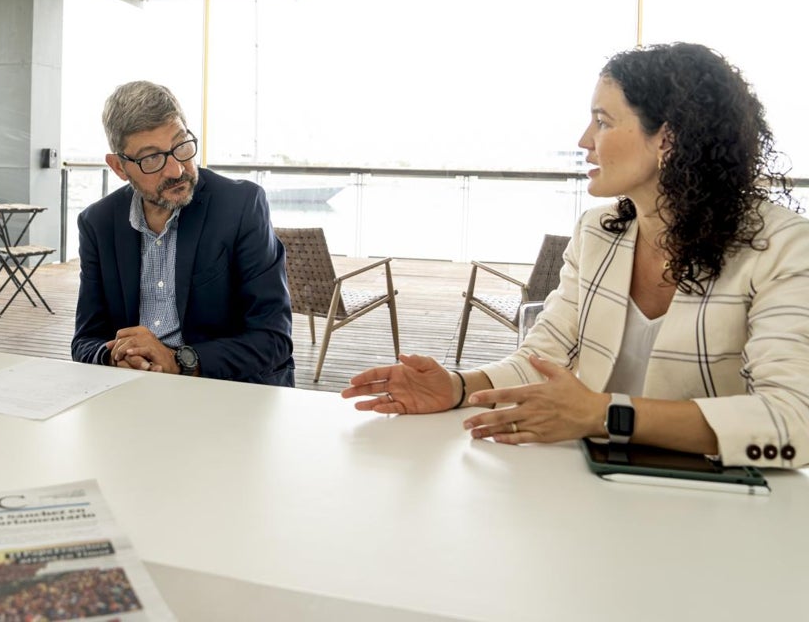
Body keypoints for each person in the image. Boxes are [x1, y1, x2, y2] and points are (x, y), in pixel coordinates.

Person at [343, 42, 809, 468]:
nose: (585, 140)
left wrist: (606, 415)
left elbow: (794, 429)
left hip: (731, 509)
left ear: (668, 139)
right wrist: (461, 387)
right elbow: (544, 357)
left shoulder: (784, 247)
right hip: (599, 488)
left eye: (603, 121)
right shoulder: (597, 234)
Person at [72, 81, 295, 386]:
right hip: (136, 392)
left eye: (181, 146)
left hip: (226, 391)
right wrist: (114, 356)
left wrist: (179, 362)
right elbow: (86, 341)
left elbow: (273, 339)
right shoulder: (98, 223)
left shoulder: (241, 206)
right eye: (152, 158)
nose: (176, 170)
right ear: (119, 167)